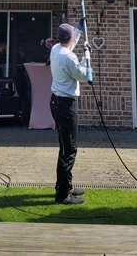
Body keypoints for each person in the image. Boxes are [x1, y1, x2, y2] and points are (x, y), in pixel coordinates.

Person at [49, 19, 90, 205]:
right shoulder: (69, 57)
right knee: (69, 149)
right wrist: (86, 56)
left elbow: (71, 43)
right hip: (66, 105)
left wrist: (80, 27)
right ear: (69, 37)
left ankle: (65, 186)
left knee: (65, 148)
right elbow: (83, 75)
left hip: (56, 102)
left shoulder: (56, 49)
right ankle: (63, 195)